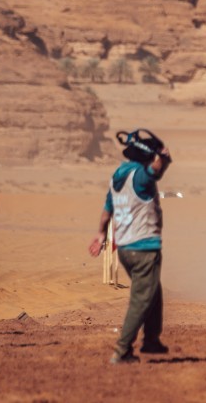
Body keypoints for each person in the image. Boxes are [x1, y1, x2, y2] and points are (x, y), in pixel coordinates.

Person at [88, 129, 173, 365]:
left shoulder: (118, 176)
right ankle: (122, 349)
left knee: (152, 291)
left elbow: (107, 210)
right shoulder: (140, 176)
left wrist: (100, 234)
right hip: (143, 246)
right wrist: (164, 159)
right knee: (141, 299)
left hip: (125, 247)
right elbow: (154, 172)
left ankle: (152, 340)